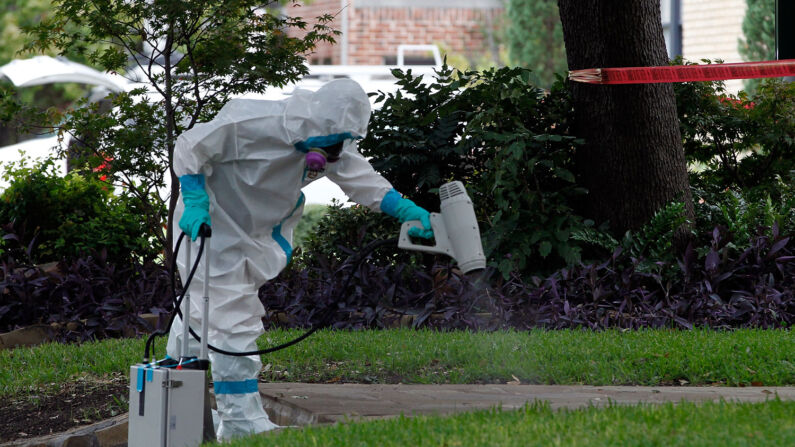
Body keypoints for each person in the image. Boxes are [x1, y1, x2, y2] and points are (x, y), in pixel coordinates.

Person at [166, 79, 434, 440]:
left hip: (253, 231)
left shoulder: (328, 136)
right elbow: (190, 146)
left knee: (200, 311)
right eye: (329, 145)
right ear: (313, 125)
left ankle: (170, 396)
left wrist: (405, 209)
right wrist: (195, 197)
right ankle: (242, 422)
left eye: (340, 144)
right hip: (211, 225)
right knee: (233, 317)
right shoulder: (251, 122)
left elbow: (360, 179)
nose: (331, 155)